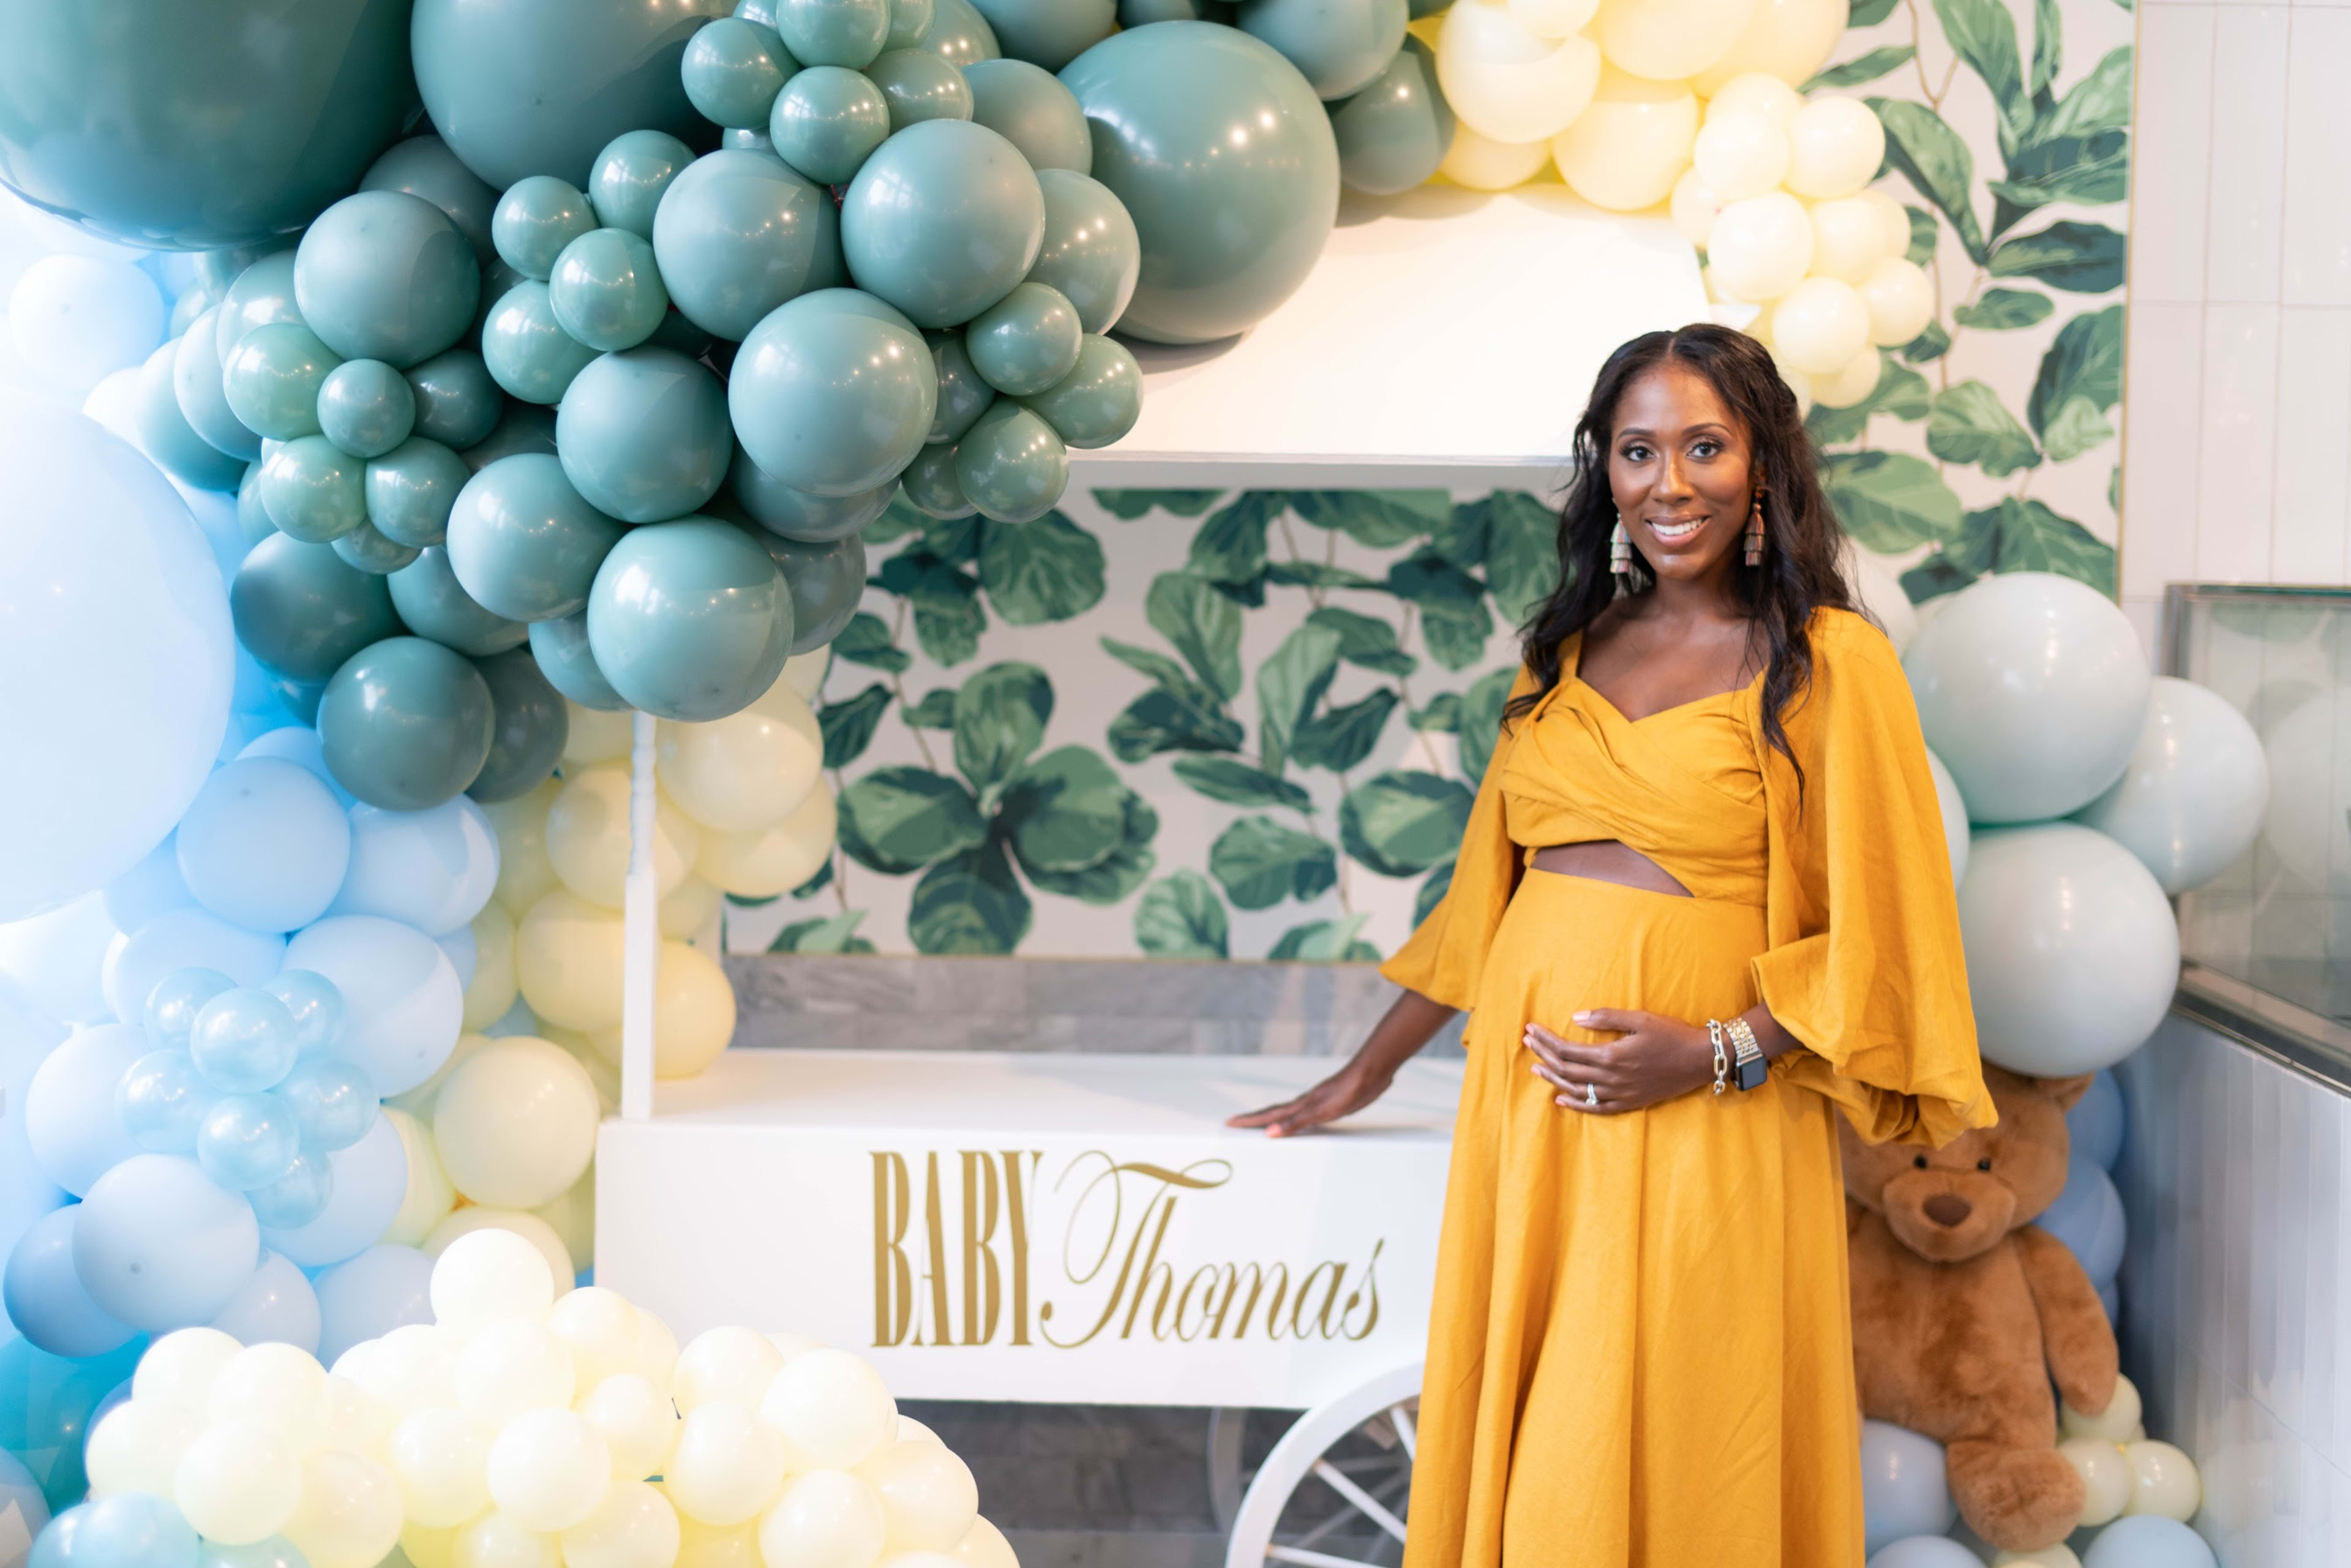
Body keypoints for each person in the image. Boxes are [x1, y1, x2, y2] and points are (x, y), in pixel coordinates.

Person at [1229, 324, 1993, 1567]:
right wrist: (1361, 1075)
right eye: (1638, 451)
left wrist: (1718, 1053)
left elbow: (1894, 934)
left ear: (1764, 466)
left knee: (1700, 1415)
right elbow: (1487, 899)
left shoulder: (1831, 661)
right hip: (1533, 1122)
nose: (1670, 483)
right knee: (1554, 1437)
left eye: (1705, 445)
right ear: (1605, 472)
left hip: (1716, 1118)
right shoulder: (1566, 652)